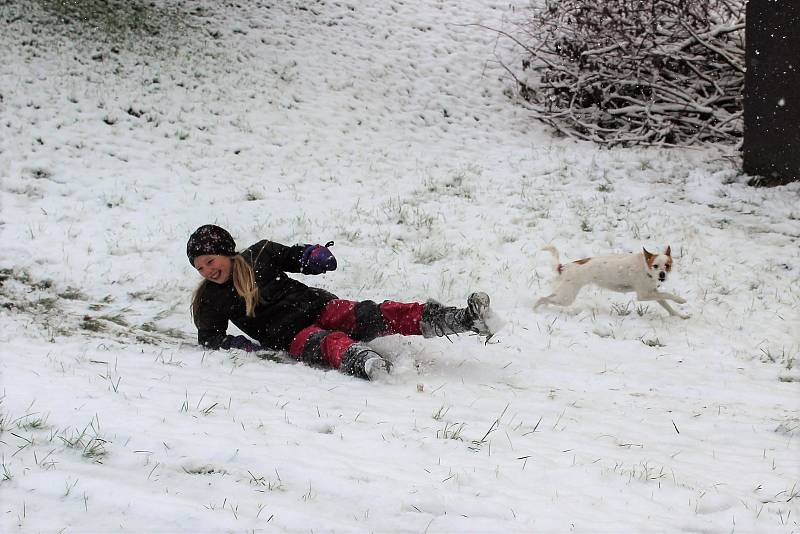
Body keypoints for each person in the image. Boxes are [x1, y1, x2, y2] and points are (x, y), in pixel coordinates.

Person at [187, 224, 498, 380]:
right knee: (327, 343)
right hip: (290, 336)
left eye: (210, 261)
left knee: (374, 313)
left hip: (319, 307)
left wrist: (313, 256)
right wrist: (234, 345)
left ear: (227, 251)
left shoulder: (261, 254)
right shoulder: (209, 299)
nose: (207, 271)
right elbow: (210, 337)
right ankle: (366, 363)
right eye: (199, 268)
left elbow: (295, 256)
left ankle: (458, 319)